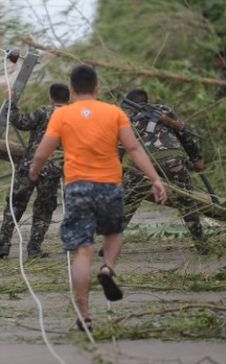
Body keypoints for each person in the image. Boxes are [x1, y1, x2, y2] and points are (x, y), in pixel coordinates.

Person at [29, 65, 167, 331]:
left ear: (71, 89)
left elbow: (43, 151)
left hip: (78, 187)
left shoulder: (62, 114)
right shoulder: (115, 113)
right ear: (97, 88)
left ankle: (84, 316)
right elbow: (134, 147)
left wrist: (34, 171)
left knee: (82, 251)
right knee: (114, 233)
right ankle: (107, 269)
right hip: (109, 185)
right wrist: (155, 178)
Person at [120, 89, 209, 254]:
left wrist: (118, 175)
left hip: (142, 164)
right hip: (172, 159)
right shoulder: (163, 109)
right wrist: (197, 158)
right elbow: (185, 135)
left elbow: (120, 148)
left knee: (129, 201)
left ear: (129, 105)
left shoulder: (126, 118)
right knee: (187, 201)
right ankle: (201, 244)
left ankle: (110, 245)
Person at [0, 83, 69, 260]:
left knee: (15, 204)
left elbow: (22, 122)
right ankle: (34, 248)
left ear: (51, 97)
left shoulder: (43, 111)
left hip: (29, 165)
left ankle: (3, 245)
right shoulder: (71, 115)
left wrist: (10, 103)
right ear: (68, 98)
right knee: (43, 209)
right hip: (53, 169)